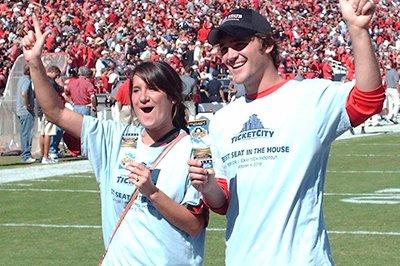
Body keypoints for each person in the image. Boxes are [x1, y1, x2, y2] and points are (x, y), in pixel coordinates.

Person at [188, 3, 385, 265]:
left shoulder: (310, 97)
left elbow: (368, 100)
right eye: (224, 49)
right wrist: (207, 186)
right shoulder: (223, 119)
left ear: (267, 44)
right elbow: (223, 203)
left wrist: (357, 30)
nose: (230, 55)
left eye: (239, 44)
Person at [21, 15, 208, 265]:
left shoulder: (194, 147)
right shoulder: (115, 137)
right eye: (136, 90)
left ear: (172, 97)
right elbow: (56, 112)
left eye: (152, 89)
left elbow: (195, 225)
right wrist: (35, 63)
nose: (143, 98)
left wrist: (152, 193)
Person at [15, 65, 36, 163]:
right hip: (25, 111)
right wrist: (28, 105)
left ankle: (26, 154)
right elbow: (24, 93)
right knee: (27, 133)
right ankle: (26, 155)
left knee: (24, 133)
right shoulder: (27, 80)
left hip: (20, 110)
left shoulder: (21, 79)